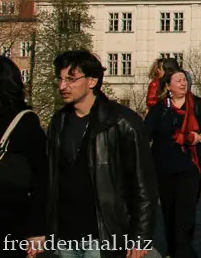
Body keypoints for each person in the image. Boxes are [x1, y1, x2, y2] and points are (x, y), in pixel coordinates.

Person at [46, 50, 158, 258]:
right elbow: (50, 178)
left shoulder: (123, 122)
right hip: (65, 235)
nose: (62, 86)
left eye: (71, 79)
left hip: (104, 234)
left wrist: (141, 237)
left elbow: (143, 184)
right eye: (60, 79)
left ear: (92, 81)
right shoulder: (58, 121)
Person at [145, 66, 201, 258]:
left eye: (184, 79)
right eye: (178, 81)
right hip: (164, 167)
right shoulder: (159, 109)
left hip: (191, 166)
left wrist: (199, 137)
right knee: (169, 210)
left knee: (185, 211)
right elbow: (145, 134)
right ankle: (172, 248)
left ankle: (183, 251)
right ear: (168, 86)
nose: (183, 83)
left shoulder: (198, 105)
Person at [0, 55, 48, 256]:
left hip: (8, 228)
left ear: (1, 86)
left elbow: (41, 179)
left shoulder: (24, 123)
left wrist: (37, 231)